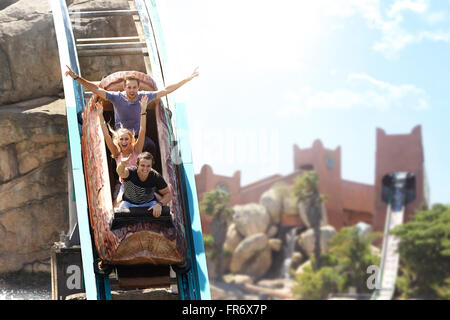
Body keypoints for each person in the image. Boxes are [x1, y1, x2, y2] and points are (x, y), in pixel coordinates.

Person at [64, 66, 199, 156]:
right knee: (112, 150)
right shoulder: (117, 97)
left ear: (138, 88)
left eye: (134, 87)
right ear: (124, 87)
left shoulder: (144, 96)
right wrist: (75, 77)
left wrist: (187, 79)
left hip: (137, 136)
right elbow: (96, 89)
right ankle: (116, 176)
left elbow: (165, 90)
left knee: (151, 145)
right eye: (129, 87)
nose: (132, 90)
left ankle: (149, 172)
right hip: (121, 136)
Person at [116, 151, 172, 218]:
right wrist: (122, 164)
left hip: (149, 204)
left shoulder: (155, 176)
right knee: (118, 215)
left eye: (148, 166)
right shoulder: (130, 172)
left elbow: (168, 194)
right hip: (129, 204)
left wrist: (159, 204)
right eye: (142, 165)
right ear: (137, 165)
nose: (145, 169)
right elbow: (120, 172)